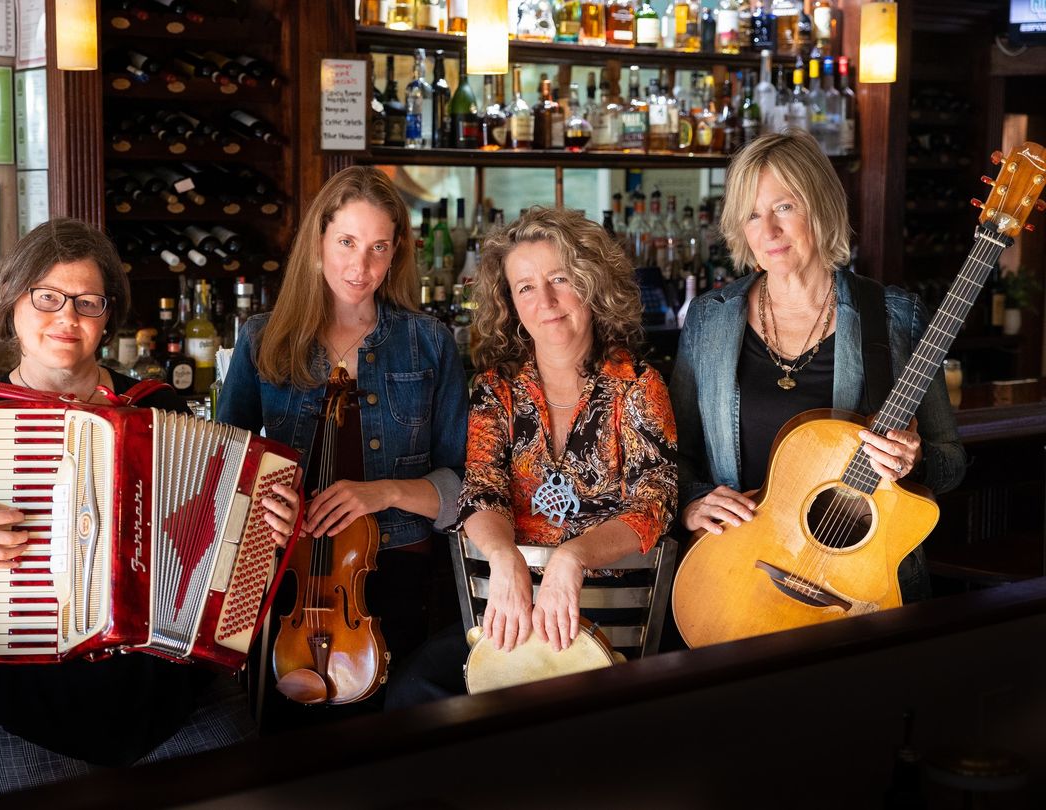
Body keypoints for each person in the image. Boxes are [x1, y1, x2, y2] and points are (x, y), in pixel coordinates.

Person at [0, 218, 300, 797]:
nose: (67, 318)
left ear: (106, 317)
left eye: (87, 303)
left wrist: (269, 525)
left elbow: (216, 529)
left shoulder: (155, 406)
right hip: (28, 706)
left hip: (168, 694)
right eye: (48, 298)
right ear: (14, 304)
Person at [386, 206, 678, 706]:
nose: (545, 300)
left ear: (591, 283)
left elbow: (655, 504)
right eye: (524, 287)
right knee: (412, 696)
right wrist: (504, 557)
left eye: (559, 278)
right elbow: (480, 494)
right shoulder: (497, 391)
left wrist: (572, 558)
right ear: (510, 304)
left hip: (612, 617)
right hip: (510, 610)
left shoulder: (637, 386)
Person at [670, 130, 966, 602]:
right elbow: (673, 458)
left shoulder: (893, 316)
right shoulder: (710, 319)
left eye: (784, 207)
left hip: (859, 584)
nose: (767, 232)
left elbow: (950, 463)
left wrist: (916, 458)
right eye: (751, 215)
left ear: (821, 205)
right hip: (738, 577)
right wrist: (692, 503)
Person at [216, 166, 467, 716]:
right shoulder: (262, 338)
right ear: (319, 241)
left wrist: (383, 493)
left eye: (379, 248)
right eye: (347, 242)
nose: (361, 266)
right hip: (289, 574)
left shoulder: (429, 343)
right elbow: (223, 466)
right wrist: (268, 502)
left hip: (397, 572)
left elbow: (463, 487)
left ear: (396, 251)